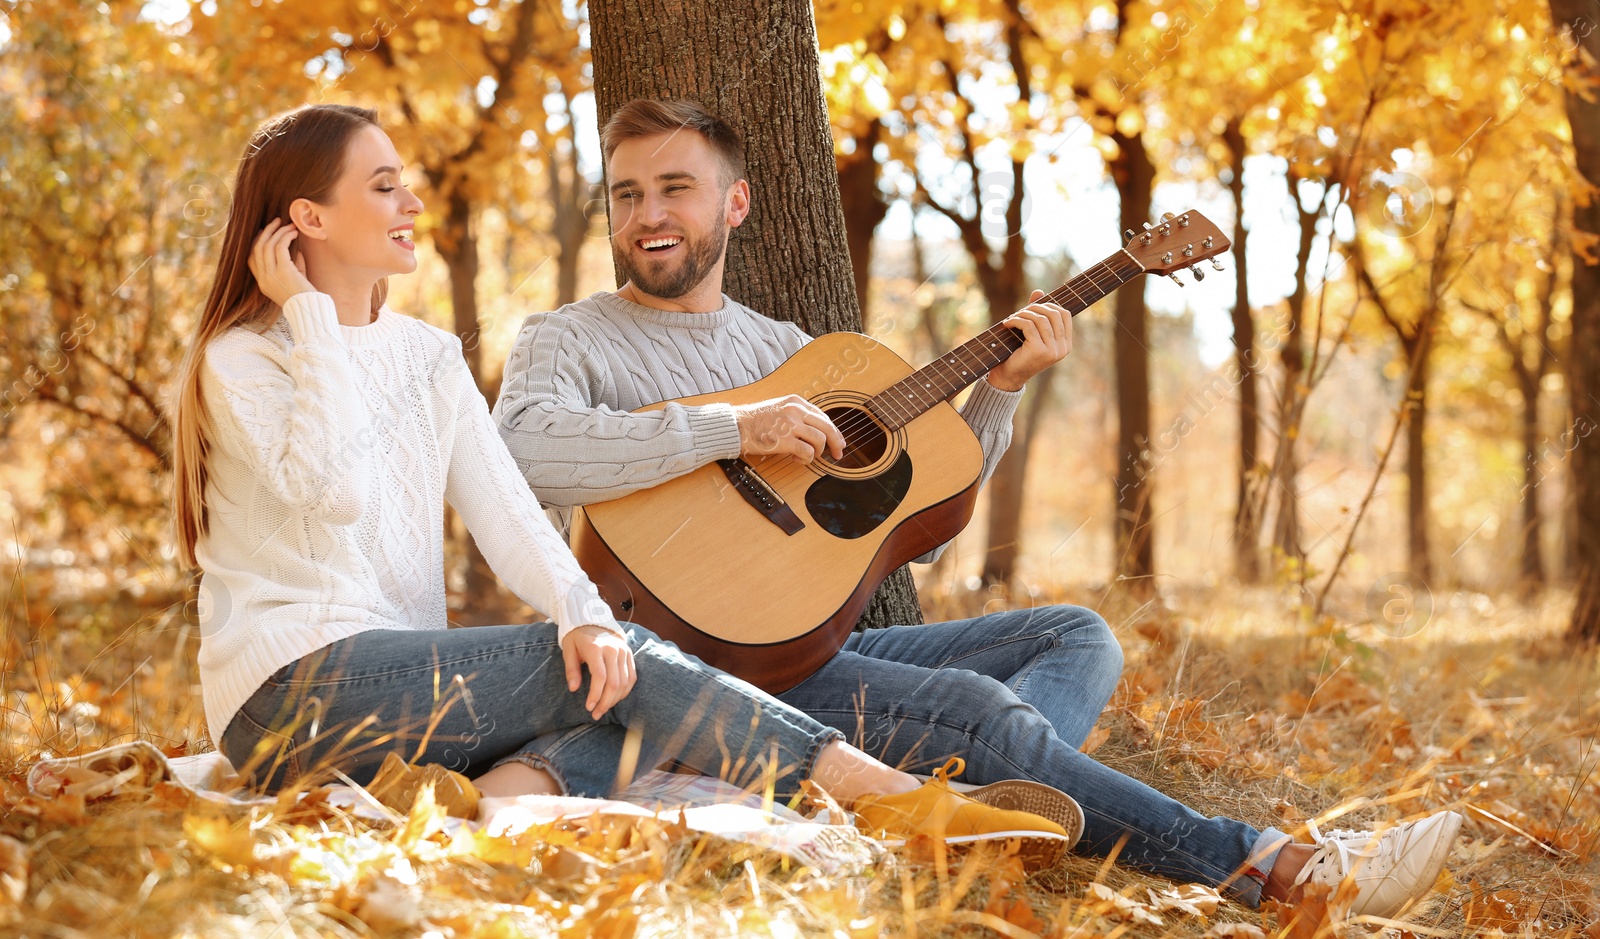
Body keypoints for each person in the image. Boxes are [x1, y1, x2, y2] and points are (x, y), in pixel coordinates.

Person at [491, 97, 1465, 916]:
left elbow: (902, 504)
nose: (648, 213)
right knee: (972, 704)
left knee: (1075, 633)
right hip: (669, 658)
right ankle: (1280, 870)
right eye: (627, 193)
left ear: (734, 201)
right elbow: (523, 448)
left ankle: (977, 805)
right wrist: (729, 431)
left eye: (675, 188)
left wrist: (1000, 386)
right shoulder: (569, 336)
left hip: (800, 642)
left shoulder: (792, 345)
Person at [168, 102, 1081, 869]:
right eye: (383, 186)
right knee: (623, 667)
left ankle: (468, 809)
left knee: (610, 671)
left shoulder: (427, 354)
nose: (412, 200)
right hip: (288, 696)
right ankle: (881, 796)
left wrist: (582, 609)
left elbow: (511, 515)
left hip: (406, 693)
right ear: (310, 220)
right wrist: (311, 318)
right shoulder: (245, 358)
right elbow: (336, 495)